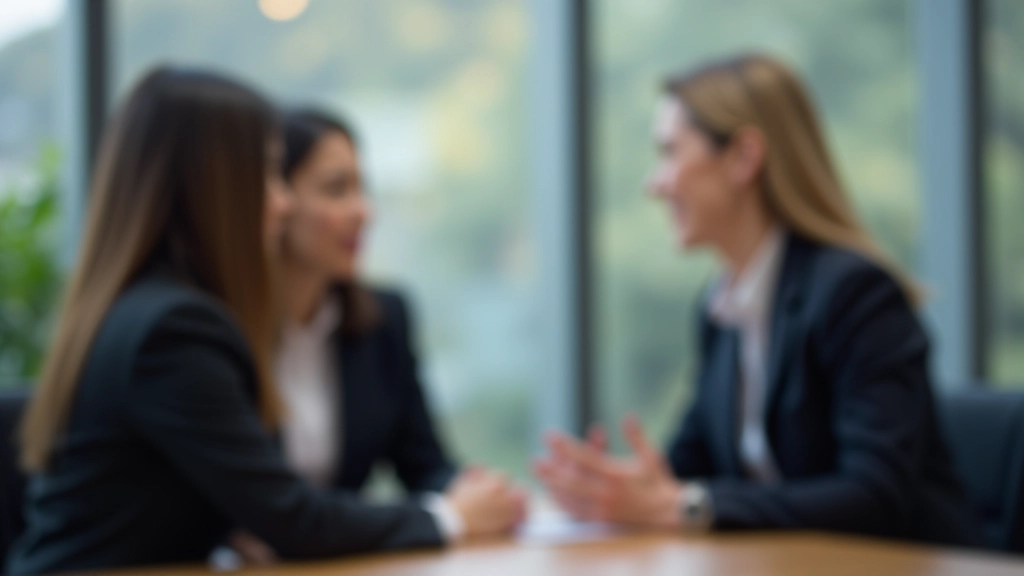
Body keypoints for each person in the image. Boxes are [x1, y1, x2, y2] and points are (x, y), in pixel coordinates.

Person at [7, 67, 521, 576]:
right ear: (212, 186)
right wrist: (450, 516)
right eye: (268, 174)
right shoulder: (175, 330)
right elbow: (293, 519)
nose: (281, 202)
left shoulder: (147, 310)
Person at [534, 54, 981, 547]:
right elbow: (691, 465)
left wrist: (683, 504)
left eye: (669, 152)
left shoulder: (855, 293)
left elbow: (874, 494)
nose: (655, 184)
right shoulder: (720, 307)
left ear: (744, 158)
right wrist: (623, 487)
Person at [223, 108, 525, 564]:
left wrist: (474, 494)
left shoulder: (385, 318)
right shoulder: (217, 331)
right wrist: (448, 515)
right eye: (336, 189)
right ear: (277, 198)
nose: (363, 212)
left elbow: (424, 465)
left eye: (362, 189)